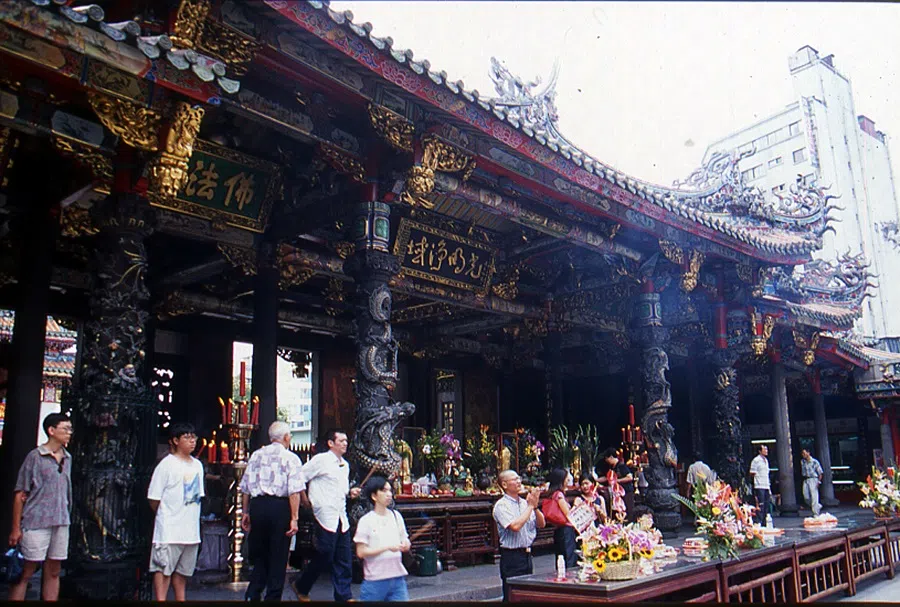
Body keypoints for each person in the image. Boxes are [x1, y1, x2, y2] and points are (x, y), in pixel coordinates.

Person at [7, 413, 73, 602]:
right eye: (65, 429)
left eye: (70, 429)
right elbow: (20, 494)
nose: (69, 433)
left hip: (60, 521)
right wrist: (16, 527)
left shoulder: (68, 458)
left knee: (54, 570)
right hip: (36, 520)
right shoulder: (35, 457)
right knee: (26, 570)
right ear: (51, 431)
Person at [292, 429, 361, 603]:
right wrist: (304, 499)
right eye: (341, 440)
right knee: (325, 555)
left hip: (340, 516)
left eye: (346, 440)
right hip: (324, 515)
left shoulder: (344, 465)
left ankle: (344, 595)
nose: (345, 443)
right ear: (331, 443)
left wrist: (350, 493)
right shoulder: (321, 460)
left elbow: (341, 491)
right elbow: (299, 476)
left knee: (344, 557)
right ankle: (302, 585)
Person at [240, 421, 304, 601]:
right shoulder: (291, 458)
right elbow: (294, 491)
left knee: (261, 555)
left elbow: (245, 487)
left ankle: (252, 594)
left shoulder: (256, 455)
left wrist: (246, 512)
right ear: (285, 437)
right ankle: (273, 597)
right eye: (289, 435)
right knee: (279, 555)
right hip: (279, 507)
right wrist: (294, 518)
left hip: (258, 506)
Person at [147, 422, 205, 601]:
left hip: (190, 531)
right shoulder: (166, 465)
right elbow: (153, 499)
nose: (192, 441)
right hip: (169, 530)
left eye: (193, 437)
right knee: (163, 569)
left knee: (182, 573)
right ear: (175, 440)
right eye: (186, 437)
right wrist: (166, 516)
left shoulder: (197, 465)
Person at [353, 476, 411, 602]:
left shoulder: (397, 516)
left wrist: (406, 544)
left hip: (397, 579)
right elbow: (361, 552)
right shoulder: (366, 521)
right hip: (375, 581)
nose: (389, 494)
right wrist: (388, 547)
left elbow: (405, 539)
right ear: (374, 496)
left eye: (390, 491)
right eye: (384, 491)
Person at [492, 469, 545, 602]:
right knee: (512, 595)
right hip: (512, 556)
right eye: (514, 479)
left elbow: (541, 524)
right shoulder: (501, 505)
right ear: (504, 485)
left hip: (526, 554)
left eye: (519, 478)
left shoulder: (524, 503)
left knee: (527, 595)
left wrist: (535, 506)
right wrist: (530, 507)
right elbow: (515, 526)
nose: (519, 482)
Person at [543, 468, 577, 568]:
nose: (567, 482)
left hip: (558, 530)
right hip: (566, 530)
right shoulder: (559, 495)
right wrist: (575, 505)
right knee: (569, 557)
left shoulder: (551, 494)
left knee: (561, 557)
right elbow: (569, 514)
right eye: (566, 479)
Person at [597, 449, 634, 521]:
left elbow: (629, 477)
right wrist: (596, 480)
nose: (606, 461)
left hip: (626, 492)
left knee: (627, 512)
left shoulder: (621, 466)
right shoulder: (612, 468)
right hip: (617, 494)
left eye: (607, 458)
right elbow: (606, 478)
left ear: (611, 457)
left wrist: (617, 481)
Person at [749, 444, 771, 525]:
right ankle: (758, 521)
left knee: (766, 504)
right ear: (760, 451)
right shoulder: (756, 460)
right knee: (760, 504)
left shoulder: (766, 460)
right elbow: (752, 472)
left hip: (766, 485)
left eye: (766, 449)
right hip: (759, 485)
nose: (766, 451)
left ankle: (764, 522)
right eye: (764, 449)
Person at [800, 448, 824, 516]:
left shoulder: (814, 462)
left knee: (814, 496)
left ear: (808, 453)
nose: (803, 455)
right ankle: (817, 506)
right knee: (806, 497)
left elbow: (820, 473)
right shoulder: (803, 462)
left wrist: (819, 481)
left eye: (804, 453)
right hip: (806, 479)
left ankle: (815, 512)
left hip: (813, 479)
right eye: (802, 454)